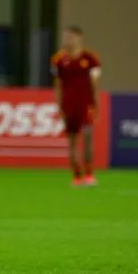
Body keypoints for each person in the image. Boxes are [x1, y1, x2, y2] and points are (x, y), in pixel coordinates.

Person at [50, 25, 101, 187]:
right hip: (68, 105)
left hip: (85, 105)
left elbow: (94, 83)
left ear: (79, 37)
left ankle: (89, 173)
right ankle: (77, 175)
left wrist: (95, 103)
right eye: (66, 37)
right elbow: (57, 85)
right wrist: (59, 105)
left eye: (71, 36)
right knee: (72, 141)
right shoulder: (59, 60)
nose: (68, 40)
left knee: (87, 139)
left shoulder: (90, 58)